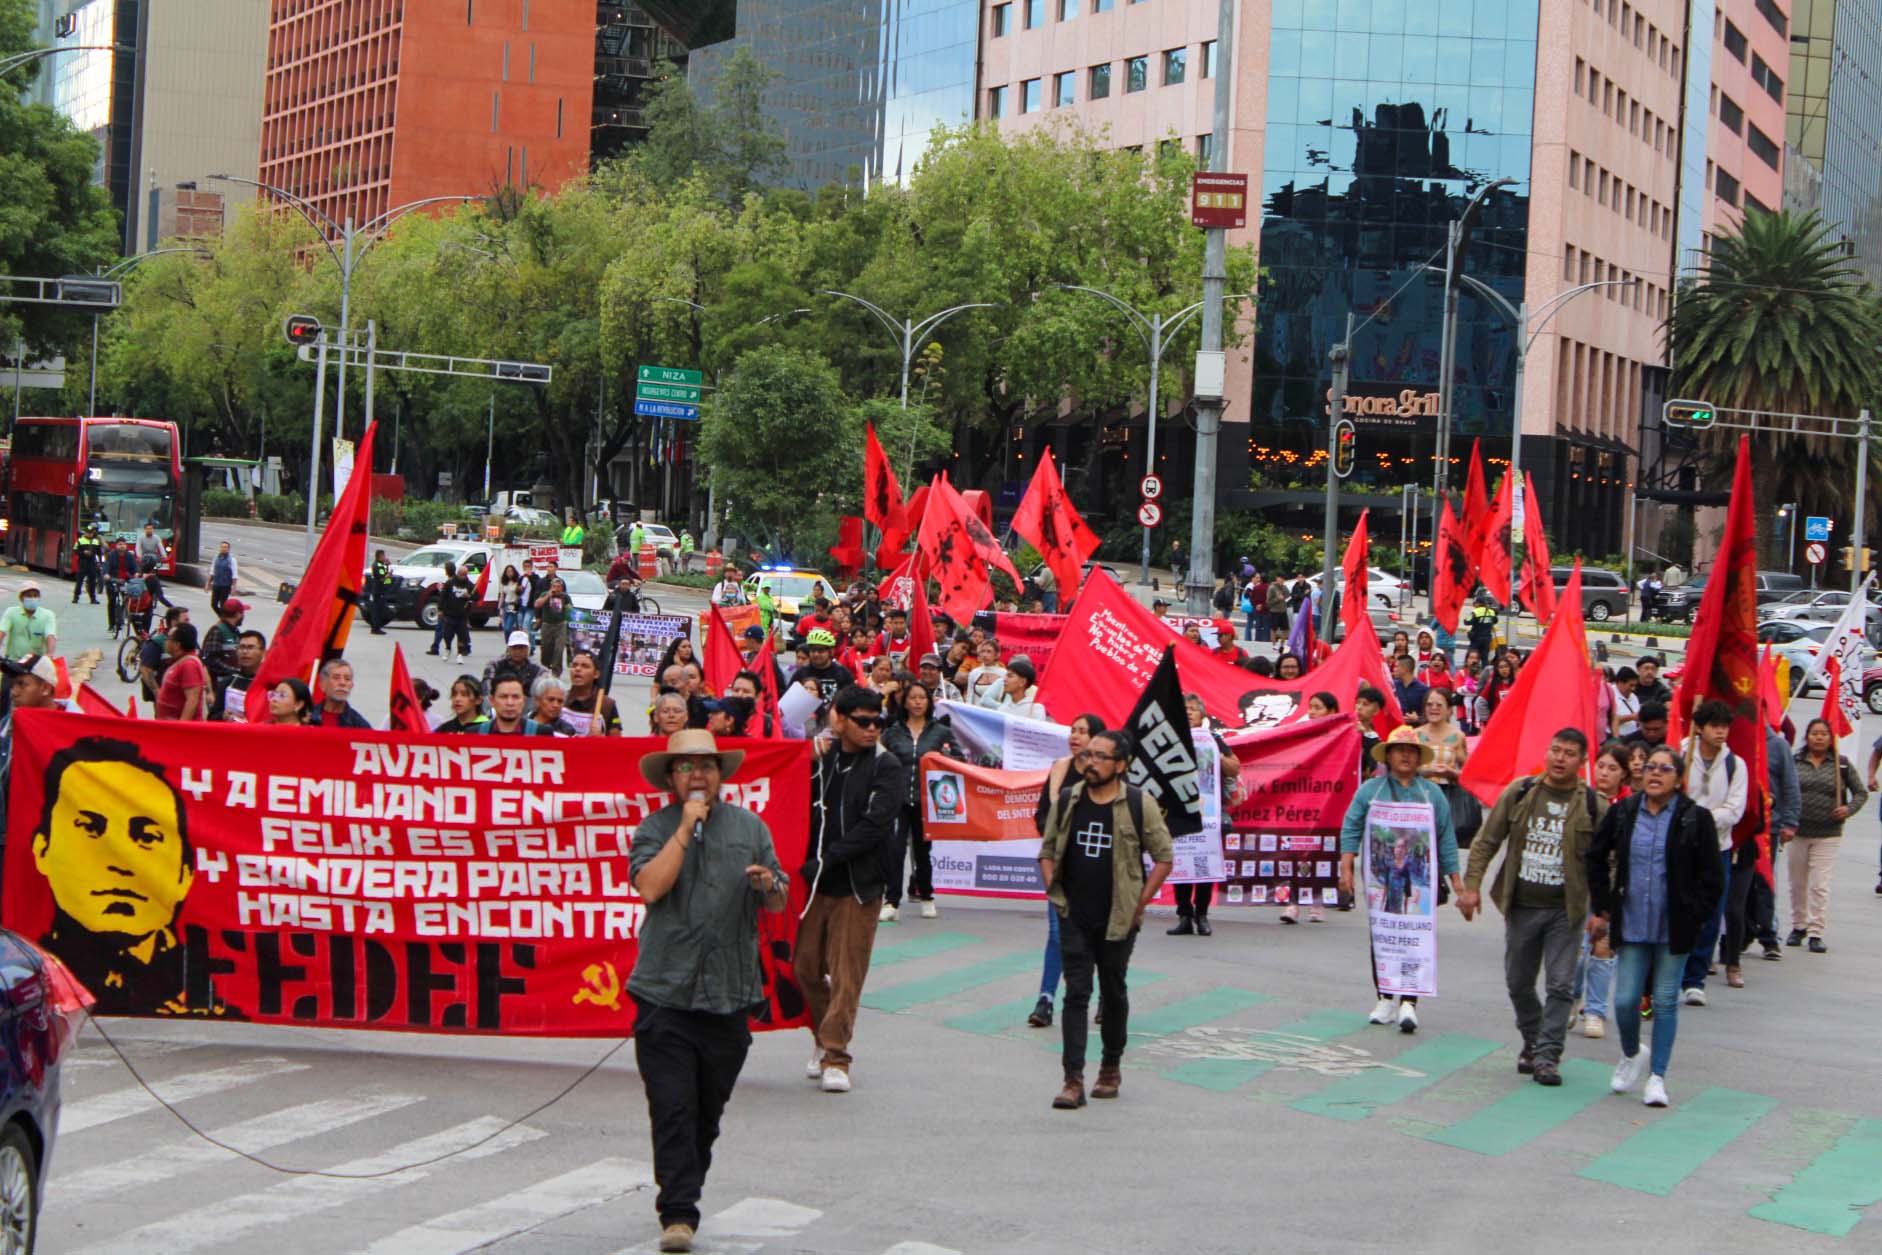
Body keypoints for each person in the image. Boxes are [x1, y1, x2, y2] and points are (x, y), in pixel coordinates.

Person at [627, 729, 788, 1255]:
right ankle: (678, 1212)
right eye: (687, 767)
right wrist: (684, 829)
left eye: (707, 766)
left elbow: (778, 902)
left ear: (721, 774)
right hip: (664, 993)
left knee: (706, 1112)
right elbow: (652, 887)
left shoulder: (750, 827)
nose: (698, 776)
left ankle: (685, 1184)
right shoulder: (654, 828)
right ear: (671, 778)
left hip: (729, 994)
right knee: (672, 1106)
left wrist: (767, 884)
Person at [29, 737, 238, 1016]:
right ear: (43, 850)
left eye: (148, 837)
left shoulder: (220, 990)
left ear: (186, 873)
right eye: (90, 828)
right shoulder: (24, 973)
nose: (120, 859)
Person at [1460, 728, 1607, 1087]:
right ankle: (1533, 1037)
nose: (1560, 758)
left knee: (1560, 985)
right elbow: (1486, 840)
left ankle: (1547, 1057)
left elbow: (1610, 862)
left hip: (1566, 911)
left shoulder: (1593, 804)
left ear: (1582, 761)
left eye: (1569, 753)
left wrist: (1604, 911)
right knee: (1518, 982)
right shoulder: (1522, 792)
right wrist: (1472, 886)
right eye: (1555, 750)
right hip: (1522, 905)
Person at [1585, 744, 1727, 1108]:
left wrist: (1695, 916)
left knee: (1664, 1001)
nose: (1655, 774)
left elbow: (1712, 877)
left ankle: (1657, 1077)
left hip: (1674, 927)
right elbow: (1596, 857)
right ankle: (1632, 1052)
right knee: (1626, 999)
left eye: (1664, 769)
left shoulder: (1694, 818)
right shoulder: (1625, 812)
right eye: (1650, 767)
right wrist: (1602, 907)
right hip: (1631, 922)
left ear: (1678, 780)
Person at [1039, 729, 1174, 1108]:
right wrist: (1056, 895)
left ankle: (1110, 1067)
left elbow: (1164, 856)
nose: (1090, 762)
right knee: (1076, 994)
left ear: (1120, 765)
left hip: (1119, 918)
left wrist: (1139, 904)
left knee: (1112, 992)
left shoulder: (1137, 803)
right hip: (1074, 914)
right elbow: (1047, 850)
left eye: (1100, 757)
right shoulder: (1069, 800)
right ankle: (1072, 1080)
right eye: (1088, 755)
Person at [795, 685, 904, 1093]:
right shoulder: (819, 761)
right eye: (863, 721)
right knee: (804, 967)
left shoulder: (886, 766)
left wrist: (826, 859)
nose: (872, 728)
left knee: (846, 974)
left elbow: (875, 826)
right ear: (838, 718)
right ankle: (823, 1038)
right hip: (814, 886)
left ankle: (836, 1056)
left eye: (879, 721)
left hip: (858, 886)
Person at [1339, 726, 1467, 1033]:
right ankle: (1384, 997)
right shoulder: (1371, 790)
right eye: (1400, 751)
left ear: (1418, 757)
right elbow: (1351, 827)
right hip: (1381, 880)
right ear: (1389, 755)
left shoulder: (1431, 793)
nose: (1406, 756)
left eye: (1411, 751)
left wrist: (1457, 882)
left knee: (1415, 938)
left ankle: (1409, 1001)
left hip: (1419, 882)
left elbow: (1446, 838)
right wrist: (1346, 868)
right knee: (1383, 936)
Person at [1677, 701, 1747, 1006]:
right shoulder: (1680, 755)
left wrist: (1701, 822)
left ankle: (1696, 978)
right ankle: (1673, 973)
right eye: (1714, 726)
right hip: (1679, 848)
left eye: (1724, 726)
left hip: (1717, 848)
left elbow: (1735, 809)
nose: (1720, 732)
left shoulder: (1736, 765)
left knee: (1711, 912)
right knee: (1678, 909)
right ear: (1700, 728)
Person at [880, 678, 960, 923]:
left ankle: (927, 896)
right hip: (897, 799)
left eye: (922, 698)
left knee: (923, 851)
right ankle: (891, 901)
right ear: (905, 702)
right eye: (912, 698)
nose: (917, 702)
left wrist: (944, 756)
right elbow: (879, 759)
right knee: (894, 850)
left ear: (928, 702)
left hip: (928, 801)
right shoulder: (893, 731)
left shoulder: (940, 731)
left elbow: (958, 759)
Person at [1787, 717, 1866, 953]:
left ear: (1831, 738)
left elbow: (1861, 793)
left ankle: (1815, 931)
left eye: (1823, 734)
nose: (1819, 737)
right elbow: (1785, 790)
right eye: (1814, 733)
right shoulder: (1795, 762)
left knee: (1819, 885)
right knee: (1797, 883)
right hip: (1798, 832)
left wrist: (1848, 809)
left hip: (1828, 834)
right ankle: (1798, 926)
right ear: (1807, 737)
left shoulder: (1841, 765)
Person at [0, 654, 63, 841]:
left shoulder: (74, 732)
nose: (14, 692)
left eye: (22, 684)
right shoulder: (7, 725)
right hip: (12, 835)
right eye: (14, 684)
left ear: (45, 688)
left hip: (52, 836)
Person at [154, 623, 210, 721]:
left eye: (168, 638)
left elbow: (192, 700)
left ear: (177, 644)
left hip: (179, 731)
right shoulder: (180, 661)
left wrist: (180, 728)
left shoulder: (189, 665)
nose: (165, 641)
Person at [201, 597, 247, 709]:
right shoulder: (217, 631)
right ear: (237, 615)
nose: (244, 616)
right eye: (243, 613)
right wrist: (234, 671)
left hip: (231, 687)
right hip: (219, 688)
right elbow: (210, 661)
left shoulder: (235, 631)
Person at [212, 629, 266, 721]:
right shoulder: (227, 683)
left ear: (263, 652)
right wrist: (222, 716)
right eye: (241, 647)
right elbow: (211, 718)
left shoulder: (269, 685)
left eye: (250, 647)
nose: (245, 652)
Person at [565, 651, 622, 735]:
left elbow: (617, 743)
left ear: (596, 674)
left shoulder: (607, 705)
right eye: (574, 665)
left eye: (585, 666)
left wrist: (600, 740)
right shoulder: (559, 699)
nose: (577, 669)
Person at [484, 631, 547, 704]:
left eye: (521, 648)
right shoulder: (495, 665)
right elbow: (486, 689)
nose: (518, 651)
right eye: (514, 648)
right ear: (508, 649)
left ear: (528, 649)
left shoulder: (538, 669)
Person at [139, 605, 187, 703]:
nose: (188, 623)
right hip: (165, 698)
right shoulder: (157, 643)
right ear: (174, 622)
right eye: (185, 620)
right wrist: (158, 692)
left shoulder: (188, 639)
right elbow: (145, 669)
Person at [429, 563, 475, 663]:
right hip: (449, 614)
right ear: (458, 573)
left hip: (462, 615)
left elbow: (477, 596)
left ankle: (459, 654)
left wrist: (469, 596)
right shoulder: (450, 583)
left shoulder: (469, 584)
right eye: (462, 574)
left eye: (465, 574)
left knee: (461, 636)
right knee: (447, 634)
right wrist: (440, 609)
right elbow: (442, 597)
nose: (463, 577)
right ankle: (448, 648)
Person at [0, 582, 56, 663]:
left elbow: (50, 636)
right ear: (21, 598)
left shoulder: (47, 615)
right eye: (29, 596)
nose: (32, 598)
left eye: (35, 595)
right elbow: (2, 632)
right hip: (13, 661)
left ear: (39, 597)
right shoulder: (11, 612)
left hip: (36, 663)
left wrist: (50, 654)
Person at [789, 629, 849, 702]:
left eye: (820, 650)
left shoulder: (842, 673)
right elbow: (789, 699)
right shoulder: (801, 673)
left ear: (830, 652)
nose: (816, 654)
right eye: (813, 650)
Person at [313, 658, 373, 729]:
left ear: (351, 686)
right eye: (336, 678)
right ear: (322, 684)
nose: (342, 683)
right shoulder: (306, 718)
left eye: (347, 679)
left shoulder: (359, 725)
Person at [477, 675, 543, 736]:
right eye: (503, 697)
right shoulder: (476, 733)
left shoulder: (541, 733)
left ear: (524, 701)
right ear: (492, 700)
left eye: (515, 697)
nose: (510, 703)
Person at [534, 575, 571, 674]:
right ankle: (545, 668)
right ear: (551, 587)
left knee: (559, 649)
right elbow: (537, 604)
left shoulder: (565, 597)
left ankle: (556, 672)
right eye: (554, 586)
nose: (556, 589)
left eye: (559, 587)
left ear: (562, 588)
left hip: (560, 625)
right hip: (547, 625)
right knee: (546, 649)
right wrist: (548, 596)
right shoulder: (545, 594)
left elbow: (570, 609)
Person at [103, 538, 138, 632]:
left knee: (127, 599)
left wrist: (136, 574)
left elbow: (134, 567)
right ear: (116, 545)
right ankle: (112, 624)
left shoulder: (129, 555)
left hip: (126, 580)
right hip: (113, 580)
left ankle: (125, 615)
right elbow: (106, 566)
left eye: (123, 544)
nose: (122, 546)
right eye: (119, 544)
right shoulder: (111, 555)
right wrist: (106, 574)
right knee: (112, 601)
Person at [1390, 655, 1428, 724]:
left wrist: (1418, 719)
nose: (1393, 669)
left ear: (1405, 669)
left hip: (1415, 730)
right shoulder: (1392, 686)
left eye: (1396, 666)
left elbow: (1429, 715)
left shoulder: (1423, 689)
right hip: (1395, 729)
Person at [72, 524, 103, 605]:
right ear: (85, 533)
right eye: (87, 532)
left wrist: (100, 562)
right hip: (83, 563)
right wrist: (83, 552)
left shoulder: (96, 541)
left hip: (92, 563)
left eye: (91, 533)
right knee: (79, 581)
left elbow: (99, 553)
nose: (89, 534)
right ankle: (76, 598)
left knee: (92, 581)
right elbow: (75, 550)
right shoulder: (80, 540)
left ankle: (93, 599)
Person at [366, 548, 394, 634]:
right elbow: (382, 577)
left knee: (380, 610)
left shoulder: (381, 565)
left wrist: (387, 566)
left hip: (382, 590)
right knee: (377, 611)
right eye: (384, 555)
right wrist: (389, 574)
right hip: (378, 591)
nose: (385, 557)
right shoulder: (377, 565)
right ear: (379, 556)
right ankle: (375, 628)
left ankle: (377, 627)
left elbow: (385, 574)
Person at [1608, 667, 1642, 739]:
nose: (1633, 689)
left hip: (1632, 738)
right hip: (1614, 737)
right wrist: (1631, 717)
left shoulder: (1634, 697)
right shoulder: (1609, 694)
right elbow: (1608, 720)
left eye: (1635, 685)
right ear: (1620, 682)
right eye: (1631, 685)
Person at [208, 541, 237, 614]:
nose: (223, 549)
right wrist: (208, 583)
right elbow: (212, 571)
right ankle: (223, 617)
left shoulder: (232, 560)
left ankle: (224, 618)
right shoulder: (216, 558)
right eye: (222, 547)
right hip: (216, 584)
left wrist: (234, 587)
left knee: (223, 605)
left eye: (225, 547)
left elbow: (234, 574)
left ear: (228, 549)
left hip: (226, 585)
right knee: (213, 604)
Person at [497, 565, 526, 638]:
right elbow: (502, 595)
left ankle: (511, 642)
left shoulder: (517, 582)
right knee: (504, 626)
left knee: (508, 627)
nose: (510, 573)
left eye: (511, 571)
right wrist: (500, 608)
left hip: (514, 604)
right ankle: (508, 644)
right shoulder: (504, 582)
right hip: (506, 604)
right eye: (508, 572)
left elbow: (520, 593)